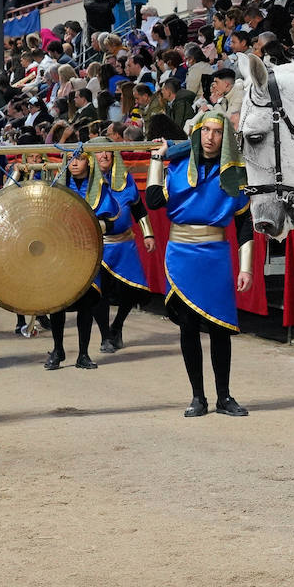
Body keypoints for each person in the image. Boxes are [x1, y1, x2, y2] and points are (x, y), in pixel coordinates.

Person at [146, 112, 254, 417]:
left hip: (216, 255)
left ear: (225, 139)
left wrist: (245, 267)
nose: (210, 136)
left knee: (220, 328)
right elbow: (153, 201)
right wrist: (157, 159)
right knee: (188, 328)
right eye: (205, 130)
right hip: (181, 254)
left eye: (217, 132)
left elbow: (245, 223)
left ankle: (224, 397)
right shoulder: (178, 167)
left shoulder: (234, 176)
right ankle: (198, 397)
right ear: (197, 133)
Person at [46, 153, 113, 370]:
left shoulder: (99, 188)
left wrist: (88, 227)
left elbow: (110, 222)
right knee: (57, 303)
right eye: (70, 159)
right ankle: (58, 350)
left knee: (87, 303)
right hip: (60, 254)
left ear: (89, 161)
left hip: (87, 253)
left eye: (80, 158)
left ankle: (83, 354)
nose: (74, 163)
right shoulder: (55, 187)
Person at [88, 138, 152, 352]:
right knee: (100, 292)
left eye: (108, 151)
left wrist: (148, 234)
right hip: (99, 246)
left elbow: (138, 209)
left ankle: (117, 326)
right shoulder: (86, 182)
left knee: (132, 290)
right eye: (100, 152)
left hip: (125, 244)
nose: (105, 155)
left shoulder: (126, 180)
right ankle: (106, 336)